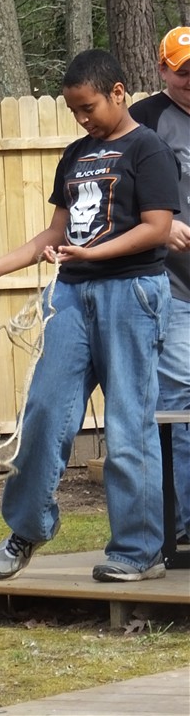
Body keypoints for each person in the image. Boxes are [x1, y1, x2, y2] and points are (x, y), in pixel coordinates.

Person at [0, 49, 177, 582]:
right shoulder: (76, 155)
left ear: (118, 93)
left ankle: (138, 551)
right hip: (71, 298)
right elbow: (55, 234)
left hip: (132, 293)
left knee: (128, 424)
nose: (82, 119)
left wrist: (93, 253)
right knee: (43, 412)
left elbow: (156, 228)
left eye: (88, 107)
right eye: (74, 110)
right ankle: (28, 527)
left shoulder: (148, 149)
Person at [129, 27, 190, 542]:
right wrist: (159, 226)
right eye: (184, 71)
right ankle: (185, 524)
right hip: (173, 289)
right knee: (183, 400)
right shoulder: (144, 121)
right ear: (163, 70)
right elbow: (113, 192)